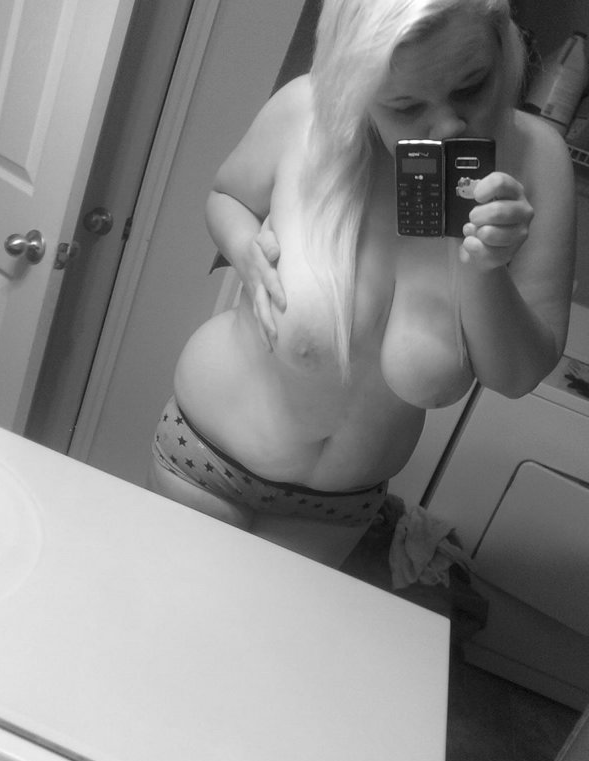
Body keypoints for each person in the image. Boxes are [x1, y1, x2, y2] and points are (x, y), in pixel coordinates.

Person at [148, 0, 575, 567]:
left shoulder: (538, 158)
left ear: (503, 44)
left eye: (471, 87)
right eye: (405, 106)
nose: (447, 127)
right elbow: (226, 195)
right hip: (204, 456)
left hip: (339, 508)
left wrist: (485, 266)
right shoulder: (306, 109)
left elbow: (517, 377)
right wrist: (244, 249)